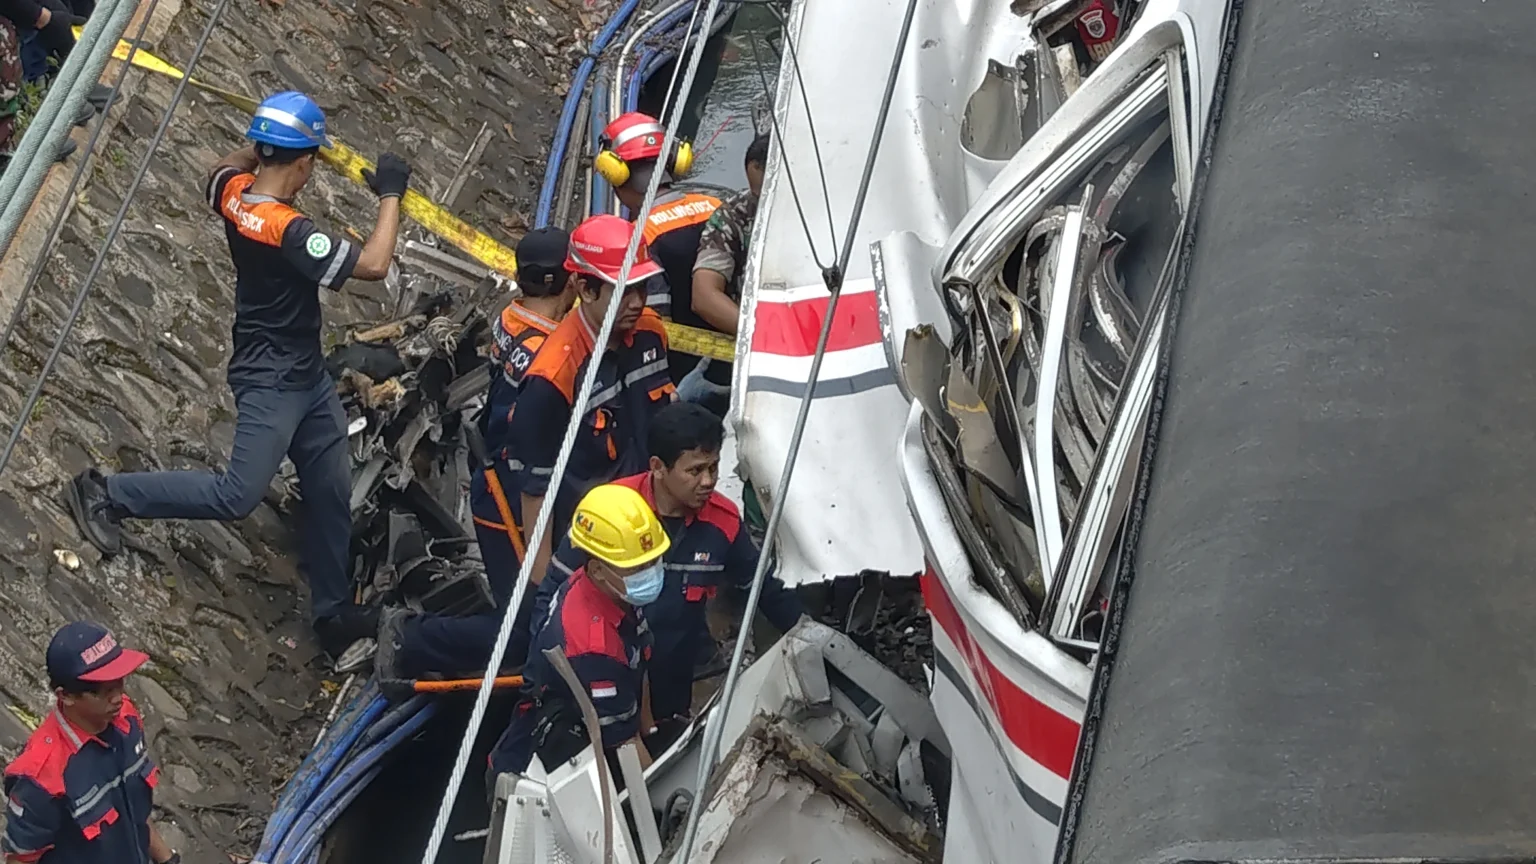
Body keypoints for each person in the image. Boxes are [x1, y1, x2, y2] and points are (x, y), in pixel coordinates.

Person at [65, 91, 411, 659]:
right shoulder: (290, 230)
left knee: (328, 491)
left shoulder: (232, 195)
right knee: (237, 493)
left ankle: (333, 612)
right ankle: (107, 491)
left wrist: (259, 148)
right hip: (273, 377)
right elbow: (373, 265)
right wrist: (391, 195)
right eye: (312, 160)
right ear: (302, 163)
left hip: (301, 371)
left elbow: (221, 166)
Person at [374, 228, 577, 680]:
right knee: (524, 628)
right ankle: (413, 637)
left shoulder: (514, 316)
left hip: (495, 468)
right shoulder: (546, 352)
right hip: (510, 491)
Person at [535, 402, 802, 732]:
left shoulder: (724, 523)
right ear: (658, 467)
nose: (708, 481)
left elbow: (765, 591)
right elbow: (551, 594)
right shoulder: (610, 512)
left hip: (672, 679)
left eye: (714, 468)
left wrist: (808, 635)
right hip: (599, 676)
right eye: (695, 471)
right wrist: (541, 676)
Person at [511, 213, 676, 603]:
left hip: (649, 522)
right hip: (591, 546)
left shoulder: (651, 333)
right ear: (585, 290)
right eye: (624, 292)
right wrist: (543, 585)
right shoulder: (553, 376)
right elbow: (536, 492)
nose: (637, 303)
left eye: (643, 288)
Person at [487, 483, 667, 781]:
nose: (649, 573)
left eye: (653, 562)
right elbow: (626, 749)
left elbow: (640, 662)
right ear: (597, 570)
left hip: (586, 738)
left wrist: (651, 731)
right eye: (637, 568)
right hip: (541, 776)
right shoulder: (593, 649)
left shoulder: (610, 591)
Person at [3, 622, 179, 864]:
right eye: (101, 691)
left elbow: (133, 812)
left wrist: (168, 859)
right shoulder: (42, 777)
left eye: (119, 682)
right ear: (66, 696)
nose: (117, 698)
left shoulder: (126, 717)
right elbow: (21, 859)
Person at [593, 112, 724, 388]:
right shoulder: (716, 206)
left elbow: (651, 325)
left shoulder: (638, 236)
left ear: (614, 172)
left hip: (682, 375)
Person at [691, 131, 768, 338]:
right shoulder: (734, 214)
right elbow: (704, 296)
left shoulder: (829, 211)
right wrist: (762, 337)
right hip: (758, 331)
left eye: (770, 195)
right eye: (756, 195)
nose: (762, 204)